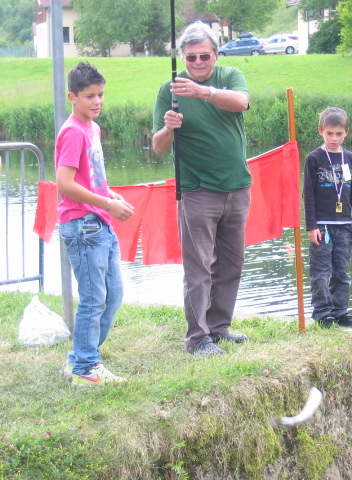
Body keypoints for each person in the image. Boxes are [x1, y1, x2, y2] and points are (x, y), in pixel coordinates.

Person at [152, 22, 251, 356]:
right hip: (196, 190)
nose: (197, 62)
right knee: (199, 268)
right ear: (183, 56)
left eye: (204, 56)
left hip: (237, 187)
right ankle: (197, 338)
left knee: (232, 263)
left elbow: (241, 102)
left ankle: (219, 327)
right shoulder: (169, 90)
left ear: (216, 55)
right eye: (191, 57)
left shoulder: (230, 76)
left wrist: (203, 92)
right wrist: (168, 129)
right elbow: (158, 147)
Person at [55, 62, 134, 386]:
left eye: (100, 94)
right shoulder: (73, 131)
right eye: (89, 96)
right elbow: (64, 184)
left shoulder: (92, 128)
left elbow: (92, 178)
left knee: (113, 294)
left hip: (100, 222)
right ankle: (86, 368)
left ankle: (79, 357)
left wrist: (109, 194)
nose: (97, 101)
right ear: (72, 97)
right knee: (93, 298)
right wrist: (108, 204)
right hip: (83, 225)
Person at [303, 107, 352, 328]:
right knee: (321, 272)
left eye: (339, 134)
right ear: (321, 131)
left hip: (345, 226)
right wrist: (311, 226)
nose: (334, 138)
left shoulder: (351, 159)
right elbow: (308, 195)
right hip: (321, 226)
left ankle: (340, 311)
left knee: (342, 271)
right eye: (329, 133)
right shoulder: (313, 159)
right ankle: (322, 313)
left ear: (346, 133)